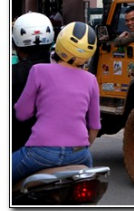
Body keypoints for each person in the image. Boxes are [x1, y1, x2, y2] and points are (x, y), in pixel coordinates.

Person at [12, 22, 101, 183]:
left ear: (59, 42)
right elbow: (94, 127)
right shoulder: (91, 80)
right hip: (80, 154)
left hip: (40, 153)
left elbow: (22, 114)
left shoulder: (39, 70)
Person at [12, 12, 56, 152]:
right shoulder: (70, 73)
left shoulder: (14, 74)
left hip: (22, 148)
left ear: (16, 44)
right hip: (68, 149)